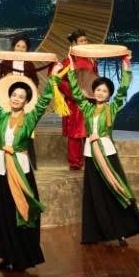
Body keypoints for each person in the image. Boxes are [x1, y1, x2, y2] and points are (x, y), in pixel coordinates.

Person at [0, 61, 60, 271]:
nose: (16, 98)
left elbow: (44, 100)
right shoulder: (1, 115)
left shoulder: (30, 118)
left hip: (20, 171)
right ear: (9, 97)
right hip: (1, 170)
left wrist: (54, 76)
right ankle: (6, 255)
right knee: (3, 214)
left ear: (26, 101)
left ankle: (22, 257)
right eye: (14, 95)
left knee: (21, 213)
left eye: (21, 96)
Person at [67, 54, 139, 245]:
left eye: (104, 91)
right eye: (98, 90)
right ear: (93, 92)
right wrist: (70, 71)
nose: (101, 93)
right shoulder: (87, 108)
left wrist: (126, 69)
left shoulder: (112, 108)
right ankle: (94, 234)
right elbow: (76, 93)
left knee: (113, 189)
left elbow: (123, 91)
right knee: (94, 193)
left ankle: (121, 232)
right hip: (91, 154)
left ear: (109, 94)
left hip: (107, 153)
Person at [0, 32, 44, 171]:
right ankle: (3, 159)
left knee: (23, 132)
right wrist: (6, 76)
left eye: (23, 47)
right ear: (13, 47)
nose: (20, 49)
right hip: (8, 101)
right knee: (6, 130)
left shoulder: (29, 64)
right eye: (18, 46)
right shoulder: (7, 61)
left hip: (23, 103)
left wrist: (27, 83)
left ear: (27, 50)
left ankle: (27, 161)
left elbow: (35, 82)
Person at [56, 29, 94, 172]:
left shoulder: (91, 59)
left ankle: (92, 161)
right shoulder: (69, 61)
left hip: (90, 101)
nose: (84, 43)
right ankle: (75, 163)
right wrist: (75, 93)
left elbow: (94, 78)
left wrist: (95, 93)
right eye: (81, 41)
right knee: (75, 133)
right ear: (74, 44)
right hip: (74, 103)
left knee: (90, 131)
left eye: (85, 40)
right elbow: (58, 80)